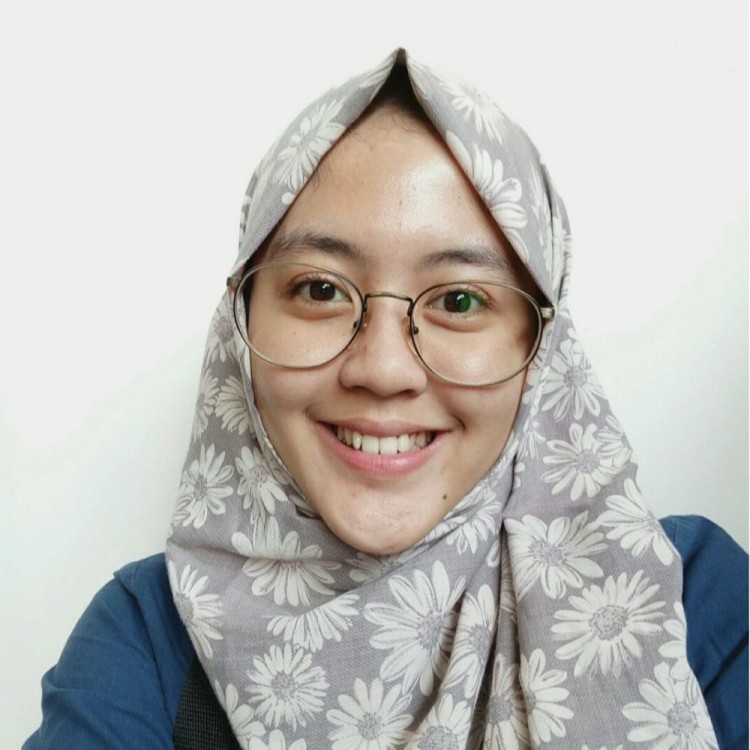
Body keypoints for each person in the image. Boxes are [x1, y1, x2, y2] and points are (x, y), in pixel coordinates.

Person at [24, 49, 747, 749]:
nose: (383, 368)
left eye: (460, 300)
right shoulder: (143, 642)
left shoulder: (689, 600)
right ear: (239, 323)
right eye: (319, 289)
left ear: (542, 347)